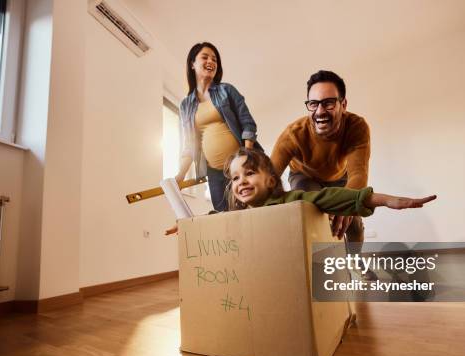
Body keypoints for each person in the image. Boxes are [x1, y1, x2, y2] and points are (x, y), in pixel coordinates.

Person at [270, 70, 369, 240]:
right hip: (304, 176)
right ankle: (317, 261)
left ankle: (356, 265)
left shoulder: (356, 127)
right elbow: (268, 178)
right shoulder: (293, 134)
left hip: (340, 177)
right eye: (314, 104)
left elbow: (358, 173)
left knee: (354, 224)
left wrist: (348, 206)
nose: (320, 111)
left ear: (343, 105)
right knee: (312, 210)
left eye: (329, 103)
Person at [175, 42, 260, 212]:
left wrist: (245, 159)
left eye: (214, 59)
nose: (211, 61)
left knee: (251, 213)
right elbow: (190, 145)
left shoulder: (226, 90)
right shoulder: (186, 105)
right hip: (214, 173)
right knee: (224, 217)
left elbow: (248, 124)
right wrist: (181, 175)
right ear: (192, 64)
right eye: (205, 57)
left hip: (241, 166)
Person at [225, 148, 436, 215]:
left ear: (271, 181)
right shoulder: (235, 218)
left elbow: (331, 197)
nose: (241, 181)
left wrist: (386, 200)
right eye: (235, 177)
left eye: (249, 173)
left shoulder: (291, 201)